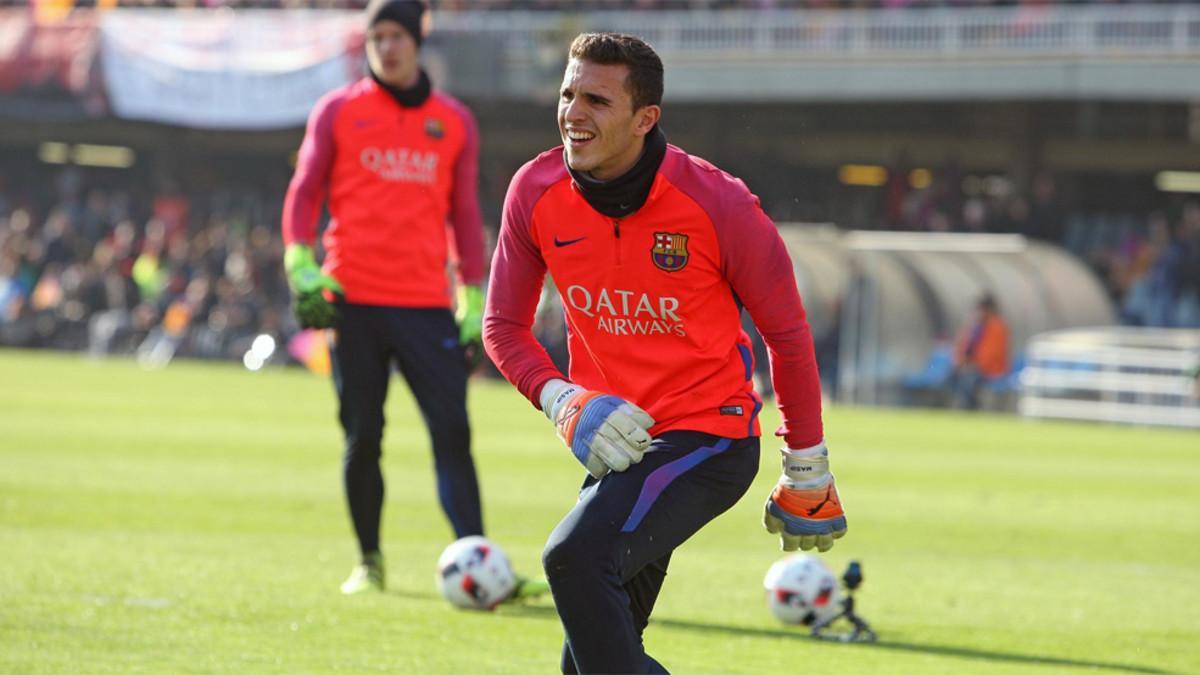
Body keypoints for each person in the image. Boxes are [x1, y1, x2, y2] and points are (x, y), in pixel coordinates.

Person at [483, 32, 848, 673]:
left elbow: (786, 334)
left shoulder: (720, 203)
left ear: (645, 118)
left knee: (574, 559)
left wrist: (807, 462)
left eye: (596, 99)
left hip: (709, 442)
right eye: (568, 94)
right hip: (617, 448)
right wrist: (563, 400)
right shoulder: (532, 191)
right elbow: (503, 327)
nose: (573, 112)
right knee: (591, 661)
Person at [281, 0, 543, 600]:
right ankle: (368, 561)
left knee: (453, 431)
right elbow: (304, 191)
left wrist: (473, 294)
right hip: (354, 300)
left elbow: (463, 212)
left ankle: (483, 566)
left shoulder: (453, 120)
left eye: (397, 35)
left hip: (426, 304)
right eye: (378, 36)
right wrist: (300, 261)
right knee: (362, 436)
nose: (388, 47)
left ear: (417, 39)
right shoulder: (338, 112)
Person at [951, 294, 1010, 410]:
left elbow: (992, 353)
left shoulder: (997, 327)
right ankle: (964, 406)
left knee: (970, 379)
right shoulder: (975, 326)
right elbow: (962, 345)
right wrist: (960, 362)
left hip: (991, 369)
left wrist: (974, 365)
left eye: (983, 309)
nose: (980, 312)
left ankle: (971, 408)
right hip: (972, 366)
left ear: (990, 310)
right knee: (951, 377)